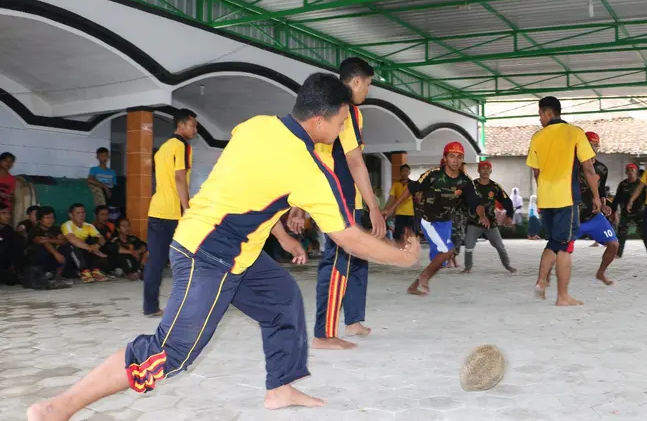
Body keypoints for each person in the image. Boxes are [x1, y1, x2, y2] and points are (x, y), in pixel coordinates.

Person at [26, 73, 421, 421]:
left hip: (232, 248)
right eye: (338, 123)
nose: (339, 131)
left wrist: (281, 234)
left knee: (282, 297)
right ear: (320, 120)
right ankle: (58, 407)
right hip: (208, 253)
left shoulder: (255, 125)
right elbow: (348, 237)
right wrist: (402, 258)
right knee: (172, 350)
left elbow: (248, 187)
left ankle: (280, 389)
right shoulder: (309, 169)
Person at [287, 58, 385, 350]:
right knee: (337, 263)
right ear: (356, 81)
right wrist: (375, 207)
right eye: (367, 84)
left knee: (357, 259)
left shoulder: (345, 111)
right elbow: (355, 162)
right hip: (337, 197)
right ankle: (324, 334)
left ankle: (353, 319)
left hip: (346, 197)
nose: (367, 90)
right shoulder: (344, 110)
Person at [383, 141, 489, 296]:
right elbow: (410, 190)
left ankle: (414, 286)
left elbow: (475, 202)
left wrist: (482, 215)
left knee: (441, 260)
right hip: (429, 221)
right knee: (447, 251)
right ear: (445, 158)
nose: (455, 160)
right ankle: (424, 277)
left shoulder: (465, 181)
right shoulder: (432, 175)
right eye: (452, 156)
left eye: (459, 157)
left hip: (446, 222)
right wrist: (391, 208)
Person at [527, 97, 600, 306]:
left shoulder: (537, 137)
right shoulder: (575, 133)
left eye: (540, 114)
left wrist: (544, 192)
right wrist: (596, 196)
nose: (540, 119)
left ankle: (550, 287)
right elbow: (588, 168)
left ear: (548, 113)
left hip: (546, 197)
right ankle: (558, 293)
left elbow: (536, 172)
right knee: (564, 245)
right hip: (566, 197)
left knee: (558, 242)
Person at [142, 109, 198, 317]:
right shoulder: (181, 146)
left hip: (157, 209)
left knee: (155, 260)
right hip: (173, 213)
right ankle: (187, 304)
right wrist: (187, 209)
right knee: (187, 259)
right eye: (193, 125)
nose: (195, 129)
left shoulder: (163, 148)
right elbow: (180, 178)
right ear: (181, 125)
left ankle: (150, 307)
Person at [568, 132, 619, 286]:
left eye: (595, 145)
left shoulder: (602, 169)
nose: (593, 147)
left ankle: (601, 273)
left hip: (594, 216)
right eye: (589, 144)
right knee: (559, 250)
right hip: (572, 216)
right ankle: (547, 276)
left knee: (614, 245)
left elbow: (601, 191)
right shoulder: (571, 166)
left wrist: (604, 205)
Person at [462, 161, 516, 274]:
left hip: (491, 223)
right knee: (468, 245)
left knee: (500, 246)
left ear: (490, 171)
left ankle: (507, 265)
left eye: (488, 168)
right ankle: (468, 267)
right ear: (478, 170)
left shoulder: (495, 187)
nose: (485, 170)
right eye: (483, 168)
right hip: (474, 222)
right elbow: (462, 201)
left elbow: (507, 202)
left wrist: (509, 215)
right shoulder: (472, 186)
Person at [61, 203, 110, 283]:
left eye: (83, 212)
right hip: (67, 256)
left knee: (94, 240)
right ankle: (84, 272)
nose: (81, 215)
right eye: (78, 213)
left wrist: (98, 245)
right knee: (72, 245)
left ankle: (95, 271)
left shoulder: (89, 226)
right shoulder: (67, 225)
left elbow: (101, 238)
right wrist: (91, 248)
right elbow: (73, 239)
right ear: (71, 215)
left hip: (82, 253)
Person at [24, 206, 70, 290]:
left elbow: (64, 241)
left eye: (52, 217)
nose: (50, 220)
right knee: (42, 248)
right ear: (40, 220)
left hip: (52, 259)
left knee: (66, 247)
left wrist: (48, 239)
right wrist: (56, 252)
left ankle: (57, 277)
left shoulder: (55, 229)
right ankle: (42, 276)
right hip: (38, 261)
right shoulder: (34, 230)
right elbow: (41, 241)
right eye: (47, 218)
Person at [612, 163, 647, 258]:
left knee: (644, 232)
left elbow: (646, 199)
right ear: (626, 172)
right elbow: (616, 199)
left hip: (639, 211)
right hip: (625, 212)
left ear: (636, 171)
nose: (630, 172)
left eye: (632, 170)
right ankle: (619, 253)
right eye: (628, 170)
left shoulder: (641, 184)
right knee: (621, 233)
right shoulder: (623, 184)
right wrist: (613, 211)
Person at [386, 164, 416, 244]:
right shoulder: (396, 184)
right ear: (400, 172)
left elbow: (418, 198)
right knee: (398, 234)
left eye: (406, 171)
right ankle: (399, 251)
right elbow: (391, 197)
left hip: (411, 213)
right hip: (399, 213)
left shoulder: (413, 184)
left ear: (409, 172)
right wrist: (386, 210)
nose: (404, 173)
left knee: (411, 234)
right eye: (403, 171)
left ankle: (410, 251)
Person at [0, 203, 18, 285]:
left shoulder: (8, 229)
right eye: (3, 213)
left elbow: (12, 249)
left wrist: (12, 263)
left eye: (9, 213)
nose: (8, 216)